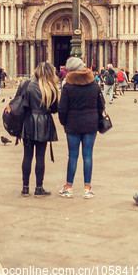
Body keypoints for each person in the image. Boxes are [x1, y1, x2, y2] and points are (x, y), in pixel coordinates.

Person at [58, 56, 102, 199]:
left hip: (73, 125)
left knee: (73, 156)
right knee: (88, 155)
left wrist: (64, 122)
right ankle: (87, 189)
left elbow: (62, 109)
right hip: (90, 125)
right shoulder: (94, 85)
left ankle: (69, 188)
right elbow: (101, 106)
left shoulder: (68, 87)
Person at [16, 62, 60, 197]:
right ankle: (39, 188)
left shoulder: (26, 85)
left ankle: (25, 188)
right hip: (44, 124)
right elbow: (54, 109)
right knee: (40, 157)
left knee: (27, 156)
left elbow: (19, 103)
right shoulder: (51, 88)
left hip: (28, 122)